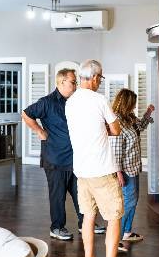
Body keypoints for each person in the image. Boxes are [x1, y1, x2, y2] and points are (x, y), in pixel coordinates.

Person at [65, 60, 135, 257]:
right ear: (94, 78)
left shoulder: (71, 102)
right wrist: (104, 128)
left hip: (82, 172)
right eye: (100, 79)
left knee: (88, 217)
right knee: (114, 218)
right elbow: (116, 129)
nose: (100, 83)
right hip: (102, 171)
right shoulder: (99, 100)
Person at [22, 68, 106, 241]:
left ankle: (86, 224)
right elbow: (26, 114)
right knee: (58, 197)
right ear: (61, 82)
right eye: (73, 82)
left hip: (76, 159)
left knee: (81, 195)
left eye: (76, 82)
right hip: (55, 159)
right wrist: (39, 131)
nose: (76, 85)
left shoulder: (76, 101)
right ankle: (57, 227)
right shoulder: (47, 102)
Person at [110, 88, 154, 252]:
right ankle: (116, 239)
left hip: (133, 167)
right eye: (133, 104)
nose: (134, 107)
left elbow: (140, 127)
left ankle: (127, 232)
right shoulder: (116, 122)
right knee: (128, 202)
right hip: (124, 170)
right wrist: (118, 172)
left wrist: (148, 113)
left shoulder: (129, 118)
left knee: (133, 201)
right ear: (126, 104)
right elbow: (115, 150)